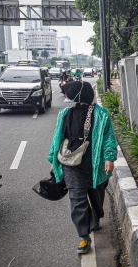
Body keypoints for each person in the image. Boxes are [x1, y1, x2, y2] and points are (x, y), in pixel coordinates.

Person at [47, 81, 118, 254]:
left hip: (94, 165)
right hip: (70, 164)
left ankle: (96, 216)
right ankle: (84, 237)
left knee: (97, 195)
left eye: (68, 95)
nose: (65, 98)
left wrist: (109, 158)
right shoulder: (64, 114)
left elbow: (109, 138)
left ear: (78, 96)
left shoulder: (100, 115)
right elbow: (58, 138)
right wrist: (53, 161)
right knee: (77, 199)